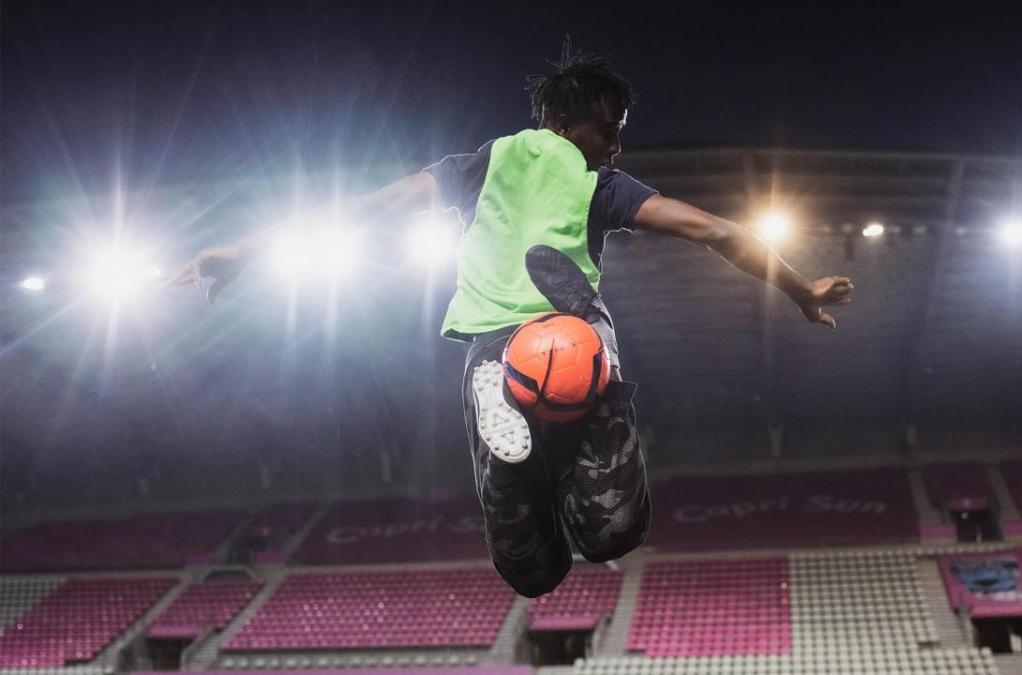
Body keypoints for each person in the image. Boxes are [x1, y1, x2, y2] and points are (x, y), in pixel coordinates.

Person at [167, 45, 854, 597]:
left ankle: (511, 427)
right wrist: (800, 289)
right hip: (570, 337)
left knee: (531, 574)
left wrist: (243, 253)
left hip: (492, 350)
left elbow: (362, 209)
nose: (614, 145)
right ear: (567, 121)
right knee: (613, 532)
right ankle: (599, 399)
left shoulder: (475, 166)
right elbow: (715, 229)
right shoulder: (599, 183)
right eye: (607, 129)